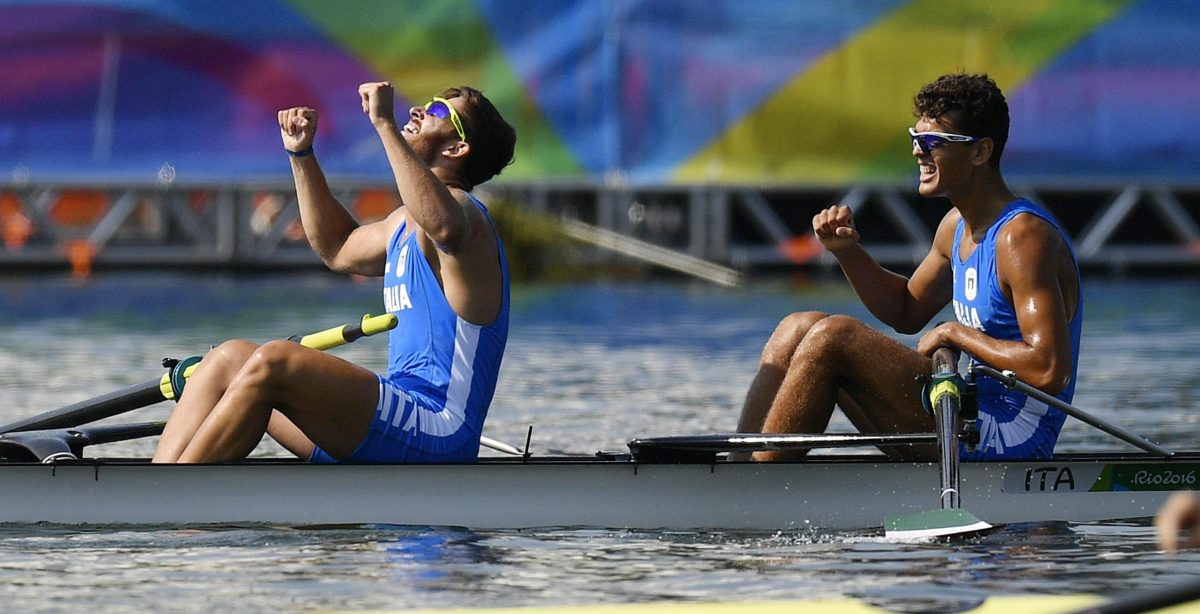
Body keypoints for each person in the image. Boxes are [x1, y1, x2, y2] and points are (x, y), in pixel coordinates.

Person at [152, 81, 516, 464]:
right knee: (228, 358)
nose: (419, 111)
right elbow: (338, 247)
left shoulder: (466, 217)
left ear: (456, 149)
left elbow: (445, 227)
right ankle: (153, 492)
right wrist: (302, 154)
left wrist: (384, 124)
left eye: (440, 111)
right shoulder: (401, 225)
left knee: (277, 359)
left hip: (440, 427)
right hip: (401, 421)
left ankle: (172, 505)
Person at [735, 73, 1082, 462]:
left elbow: (1050, 369)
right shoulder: (954, 227)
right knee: (798, 327)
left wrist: (955, 332)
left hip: (1013, 431)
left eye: (933, 142)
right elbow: (904, 310)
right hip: (964, 410)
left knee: (834, 337)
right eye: (915, 139)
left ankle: (751, 495)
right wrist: (847, 252)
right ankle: (737, 469)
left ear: (981, 152)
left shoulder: (1022, 237)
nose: (919, 152)